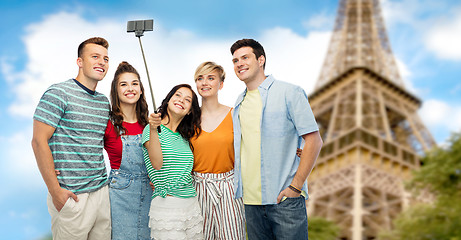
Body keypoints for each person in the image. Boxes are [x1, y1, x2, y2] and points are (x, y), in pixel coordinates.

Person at [230, 38, 323, 239]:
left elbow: (314, 140)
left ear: (261, 60)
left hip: (285, 200)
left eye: (245, 57)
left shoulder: (290, 92)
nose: (239, 64)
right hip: (251, 203)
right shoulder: (239, 103)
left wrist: (295, 187)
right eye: (235, 60)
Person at [31, 37, 111, 239]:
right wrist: (55, 191)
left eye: (105, 58)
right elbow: (38, 141)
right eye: (95, 56)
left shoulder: (103, 102)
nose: (102, 62)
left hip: (101, 193)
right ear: (80, 62)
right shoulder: (58, 93)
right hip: (72, 195)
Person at [190, 62, 246, 239]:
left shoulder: (235, 115)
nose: (204, 82)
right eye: (200, 78)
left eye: (210, 78)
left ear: (220, 84)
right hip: (197, 188)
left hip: (229, 188)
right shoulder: (188, 119)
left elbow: (255, 144)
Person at [142, 84, 204, 239]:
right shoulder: (151, 129)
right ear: (168, 100)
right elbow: (156, 164)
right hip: (167, 206)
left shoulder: (184, 137)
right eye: (177, 95)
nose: (181, 100)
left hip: (191, 205)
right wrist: (153, 129)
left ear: (190, 110)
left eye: (187, 99)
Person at [104, 61, 152, 239]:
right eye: (123, 84)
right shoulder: (108, 124)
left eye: (134, 83)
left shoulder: (150, 125)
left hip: (151, 193)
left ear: (141, 90)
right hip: (120, 196)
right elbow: (86, 148)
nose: (130, 88)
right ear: (116, 91)